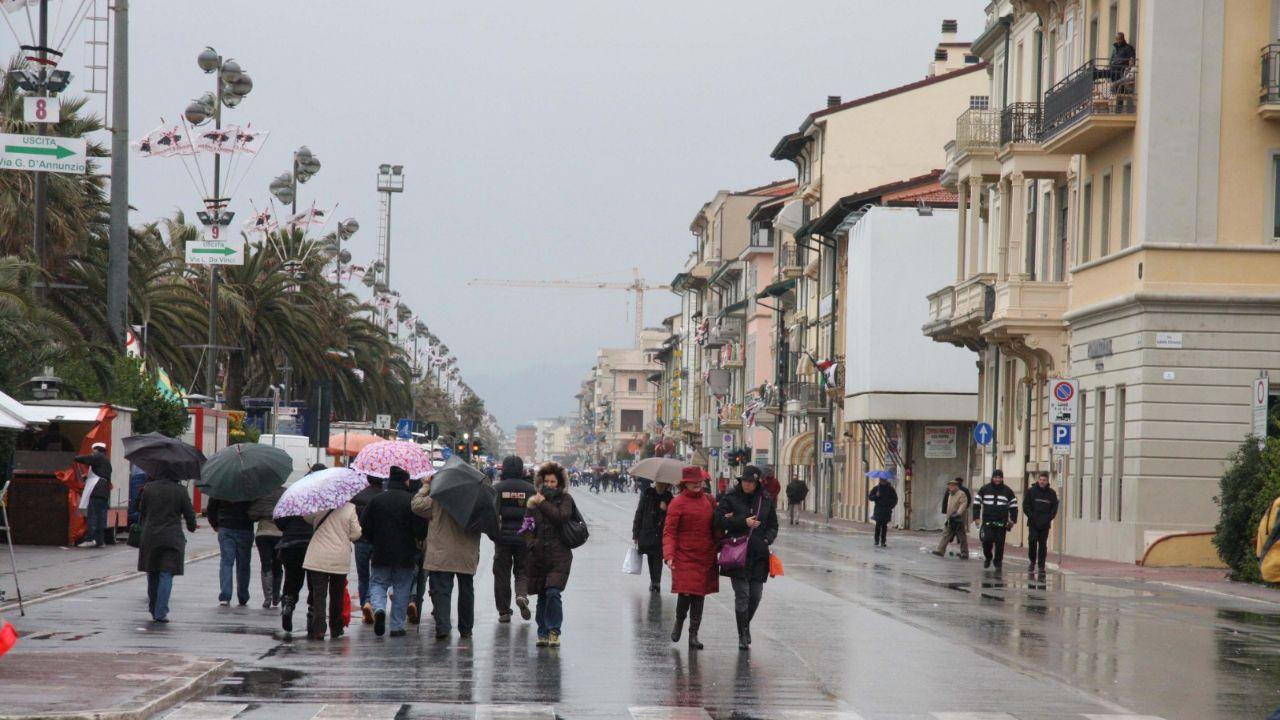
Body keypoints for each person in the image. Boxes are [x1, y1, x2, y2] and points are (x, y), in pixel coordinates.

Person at [412, 469, 482, 641]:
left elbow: (416, 505)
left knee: (441, 590)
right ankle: (466, 629)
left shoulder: (439, 497)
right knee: (466, 591)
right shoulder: (476, 500)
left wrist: (426, 486)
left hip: (441, 553)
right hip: (466, 553)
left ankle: (443, 626)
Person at [715, 465, 779, 651]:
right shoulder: (731, 498)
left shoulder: (765, 499)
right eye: (744, 481)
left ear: (757, 482)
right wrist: (743, 521)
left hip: (758, 553)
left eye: (750, 482)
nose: (747, 484)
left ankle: (745, 625)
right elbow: (718, 520)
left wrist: (767, 538)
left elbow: (773, 525)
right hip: (737, 552)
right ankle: (742, 634)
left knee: (756, 596)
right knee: (742, 594)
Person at [361, 466, 428, 637]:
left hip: (381, 551)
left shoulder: (376, 501)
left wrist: (372, 540)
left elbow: (365, 526)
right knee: (402, 587)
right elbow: (420, 530)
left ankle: (379, 609)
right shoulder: (411, 501)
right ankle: (397, 626)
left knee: (378, 583)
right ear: (406, 481)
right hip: (405, 553)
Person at [662, 465, 718, 650]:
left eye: (699, 481)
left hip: (704, 555)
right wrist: (669, 555)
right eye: (693, 482)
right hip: (683, 556)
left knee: (699, 596)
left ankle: (693, 634)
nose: (697, 484)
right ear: (685, 483)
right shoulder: (677, 503)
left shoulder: (709, 501)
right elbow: (669, 532)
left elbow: (717, 525)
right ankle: (679, 622)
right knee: (685, 593)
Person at [525, 461, 576, 647]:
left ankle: (554, 630)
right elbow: (527, 525)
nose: (549, 485)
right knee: (542, 595)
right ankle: (542, 632)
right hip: (539, 555)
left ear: (559, 483)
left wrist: (543, 503)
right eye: (546, 481)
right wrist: (531, 543)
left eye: (553, 482)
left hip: (559, 555)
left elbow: (560, 517)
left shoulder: (566, 500)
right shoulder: (533, 502)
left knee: (553, 592)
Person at [136, 469, 197, 622]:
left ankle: (153, 607)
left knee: (152, 572)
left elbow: (141, 511)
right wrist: (191, 526)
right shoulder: (180, 491)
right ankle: (161, 611)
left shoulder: (149, 488)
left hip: (150, 537)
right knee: (166, 573)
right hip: (172, 537)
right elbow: (190, 514)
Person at [301, 501, 362, 640]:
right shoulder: (350, 508)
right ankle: (336, 628)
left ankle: (319, 629)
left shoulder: (319, 506)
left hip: (317, 556)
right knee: (337, 595)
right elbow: (356, 534)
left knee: (319, 594)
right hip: (339, 557)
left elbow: (306, 517)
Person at [493, 455, 536, 623]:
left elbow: (492, 514)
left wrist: (494, 533)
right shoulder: (530, 489)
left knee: (501, 574)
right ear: (521, 470)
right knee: (522, 570)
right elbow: (535, 515)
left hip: (502, 538)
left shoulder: (497, 489)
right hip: (524, 537)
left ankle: (504, 611)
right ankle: (521, 595)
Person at [205, 496, 255, 606]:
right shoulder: (250, 487)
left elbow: (211, 508)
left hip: (226, 527)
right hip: (245, 527)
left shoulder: (222, 487)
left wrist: (215, 524)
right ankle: (243, 595)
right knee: (244, 564)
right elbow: (255, 509)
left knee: (226, 562)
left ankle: (225, 595)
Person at [350, 475, 383, 623]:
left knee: (363, 576)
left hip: (361, 541)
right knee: (376, 576)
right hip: (378, 542)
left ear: (368, 480)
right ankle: (371, 603)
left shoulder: (356, 497)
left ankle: (365, 605)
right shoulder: (383, 497)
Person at [274, 512, 313, 635]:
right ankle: (312, 613)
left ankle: (288, 603)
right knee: (314, 582)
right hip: (311, 543)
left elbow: (280, 523)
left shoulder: (291, 502)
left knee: (292, 579)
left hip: (290, 544)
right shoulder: (319, 502)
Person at [632, 480, 673, 592]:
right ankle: (653, 580)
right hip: (648, 531)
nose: (660, 485)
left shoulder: (669, 497)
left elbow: (673, 516)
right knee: (651, 557)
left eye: (663, 484)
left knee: (658, 557)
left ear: (666, 485)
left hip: (661, 532)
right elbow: (639, 512)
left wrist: (666, 509)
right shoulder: (647, 493)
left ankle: (656, 582)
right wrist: (635, 533)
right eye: (659, 483)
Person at [972, 469, 1018, 570]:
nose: (997, 479)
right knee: (987, 540)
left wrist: (1013, 520)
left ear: (1002, 479)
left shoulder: (1007, 491)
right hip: (988, 520)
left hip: (1002, 521)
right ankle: (988, 557)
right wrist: (976, 517)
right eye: (996, 477)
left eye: (999, 478)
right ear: (992, 478)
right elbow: (976, 504)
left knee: (1000, 543)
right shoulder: (984, 489)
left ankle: (998, 561)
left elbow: (1014, 506)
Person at [249, 487, 285, 609]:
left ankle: (267, 598)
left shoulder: (261, 493)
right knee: (278, 565)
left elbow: (252, 514)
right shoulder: (285, 493)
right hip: (279, 534)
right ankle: (276, 596)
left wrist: (264, 512)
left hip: (263, 534)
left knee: (266, 564)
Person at [74, 442, 113, 548]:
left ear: (96, 450)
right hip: (103, 490)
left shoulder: (98, 457)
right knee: (100, 517)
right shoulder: (106, 461)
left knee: (93, 515)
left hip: (96, 489)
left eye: (93, 451)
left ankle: (91, 539)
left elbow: (85, 459)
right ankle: (100, 541)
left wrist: (74, 457)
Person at [1024, 471, 1059, 573]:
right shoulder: (1031, 491)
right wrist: (1031, 515)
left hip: (1044, 523)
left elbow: (1054, 508)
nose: (1042, 482)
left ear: (1047, 481)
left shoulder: (1051, 493)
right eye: (1040, 480)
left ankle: (1041, 564)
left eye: (1044, 480)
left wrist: (1048, 518)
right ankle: (1032, 561)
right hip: (1033, 522)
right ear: (1038, 480)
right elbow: (1026, 505)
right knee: (1032, 541)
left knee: (1043, 544)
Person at [932, 478, 971, 559]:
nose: (951, 487)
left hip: (958, 519)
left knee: (961, 536)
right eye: (950, 485)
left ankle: (964, 553)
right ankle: (940, 550)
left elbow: (963, 504)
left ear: (957, 486)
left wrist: (958, 514)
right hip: (950, 518)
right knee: (946, 534)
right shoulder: (950, 494)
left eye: (953, 485)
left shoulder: (961, 494)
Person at [867, 475, 898, 547]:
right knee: (878, 525)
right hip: (878, 510)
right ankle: (876, 540)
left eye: (883, 480)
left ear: (886, 480)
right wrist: (876, 496)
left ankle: (883, 541)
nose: (882, 481)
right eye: (881, 480)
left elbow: (895, 499)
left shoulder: (890, 489)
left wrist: (890, 506)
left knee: (884, 526)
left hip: (886, 510)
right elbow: (870, 497)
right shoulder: (876, 488)